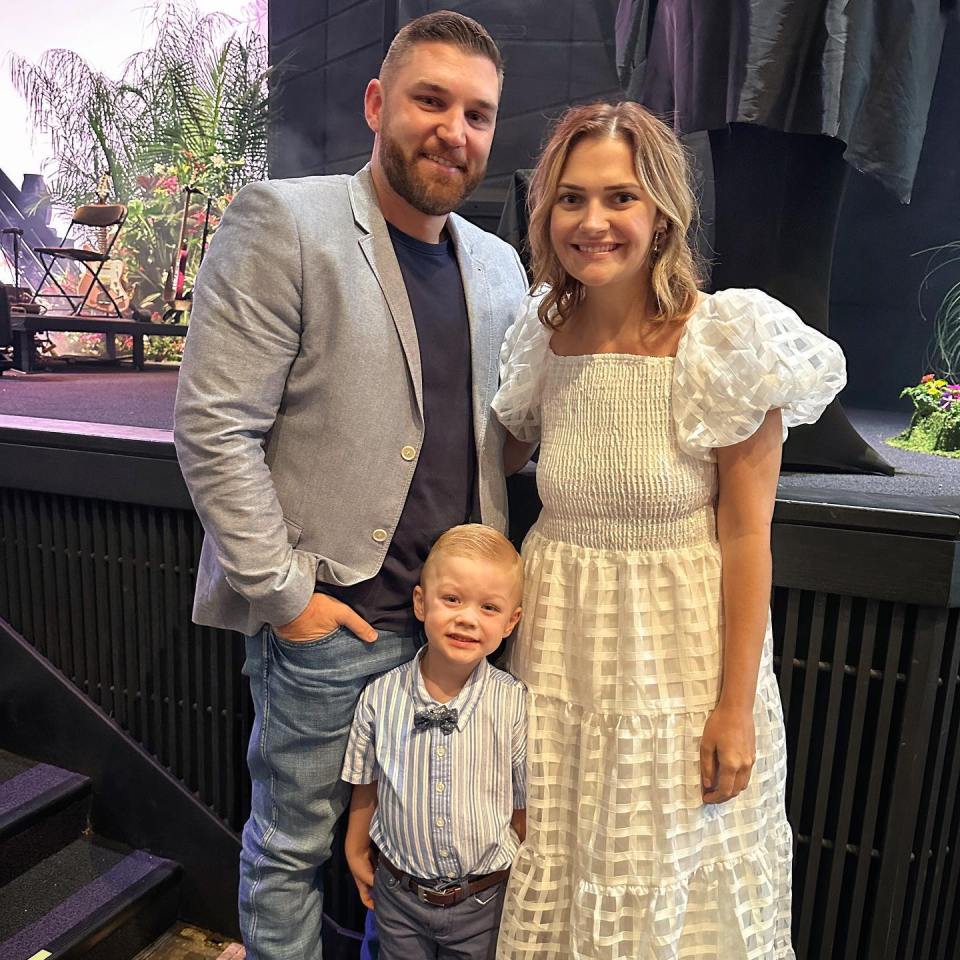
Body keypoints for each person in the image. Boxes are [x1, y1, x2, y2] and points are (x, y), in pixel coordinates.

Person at [173, 12, 528, 959]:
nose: (456, 130)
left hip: (461, 635)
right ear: (378, 103)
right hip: (337, 623)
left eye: (479, 113)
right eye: (431, 100)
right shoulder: (284, 221)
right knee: (293, 851)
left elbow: (499, 443)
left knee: (428, 857)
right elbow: (215, 427)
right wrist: (289, 598)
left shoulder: (499, 266)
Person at [491, 101, 847, 959]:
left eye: (620, 197)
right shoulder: (543, 336)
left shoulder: (725, 339)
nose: (594, 220)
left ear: (661, 212)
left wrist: (734, 708)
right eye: (571, 198)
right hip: (559, 657)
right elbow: (497, 456)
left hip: (678, 669)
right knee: (561, 869)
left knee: (673, 891)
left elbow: (747, 538)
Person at [341, 523, 526, 960]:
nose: (467, 618)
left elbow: (522, 805)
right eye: (453, 599)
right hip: (398, 893)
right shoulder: (381, 696)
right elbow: (367, 782)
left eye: (489, 607)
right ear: (421, 603)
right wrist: (354, 845)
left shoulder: (512, 703)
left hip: (483, 899)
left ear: (510, 622)